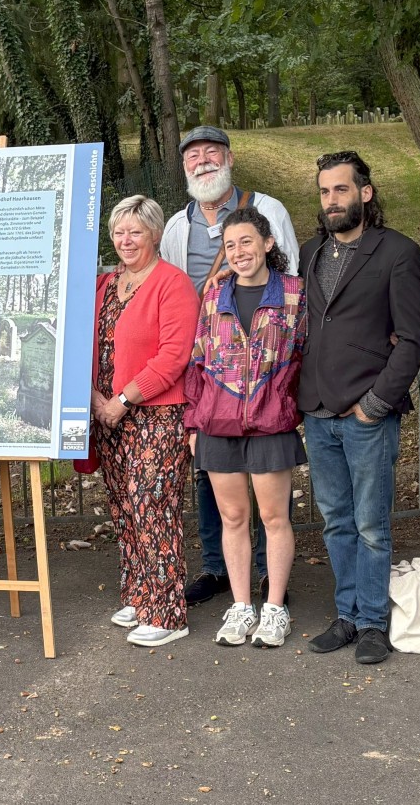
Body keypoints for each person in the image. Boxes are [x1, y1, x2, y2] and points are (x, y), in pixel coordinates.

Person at [157, 125, 300, 608]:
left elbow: (290, 283)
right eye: (193, 156)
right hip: (206, 358)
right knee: (210, 470)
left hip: (261, 362)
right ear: (185, 167)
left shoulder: (268, 209)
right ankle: (218, 568)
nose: (203, 162)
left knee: (265, 479)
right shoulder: (180, 224)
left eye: (211, 153)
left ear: (230, 158)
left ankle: (267, 573)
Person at [298, 151, 420, 665]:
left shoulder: (396, 252)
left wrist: (376, 404)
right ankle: (346, 614)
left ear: (365, 194)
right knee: (335, 520)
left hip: (366, 413)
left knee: (372, 523)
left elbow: (413, 340)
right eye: (325, 192)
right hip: (318, 411)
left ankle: (373, 621)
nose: (333, 201)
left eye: (342, 190)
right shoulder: (310, 253)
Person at [182, 207, 305, 649]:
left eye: (247, 241)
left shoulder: (294, 294)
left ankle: (274, 608)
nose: (239, 252)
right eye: (230, 245)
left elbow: (307, 352)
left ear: (268, 244)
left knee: (274, 518)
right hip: (219, 420)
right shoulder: (214, 297)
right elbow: (197, 359)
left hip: (271, 421)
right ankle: (240, 606)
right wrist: (193, 421)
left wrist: (291, 402)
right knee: (233, 518)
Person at [93, 195, 201, 647]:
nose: (126, 240)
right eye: (119, 231)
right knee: (125, 509)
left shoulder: (172, 285)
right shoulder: (106, 283)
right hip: (107, 416)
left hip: (155, 414)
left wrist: (121, 399)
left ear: (155, 234)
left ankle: (168, 611)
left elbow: (174, 357)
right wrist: (97, 400)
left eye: (135, 231)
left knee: (154, 508)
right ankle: (141, 594)